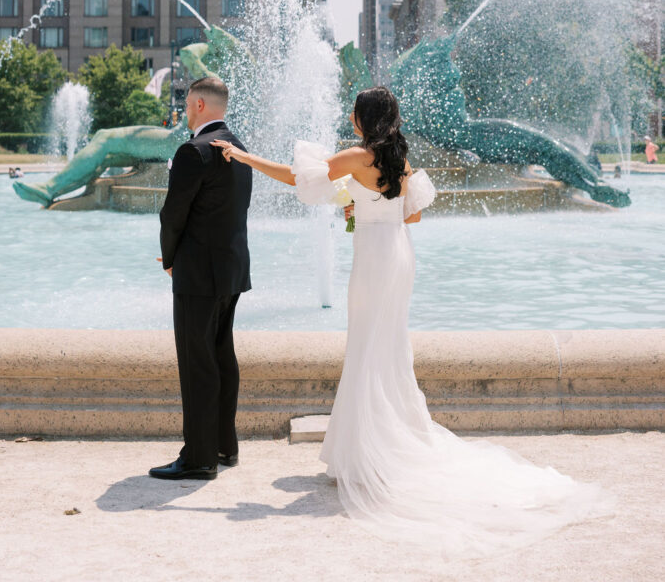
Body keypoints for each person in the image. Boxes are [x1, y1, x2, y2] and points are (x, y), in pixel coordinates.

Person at [213, 86, 614, 562]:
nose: (348, 114)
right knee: (386, 349)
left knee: (366, 349)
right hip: (398, 252)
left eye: (353, 109)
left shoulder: (358, 154)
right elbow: (415, 213)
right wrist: (361, 206)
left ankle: (367, 455)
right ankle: (372, 446)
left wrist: (242, 156)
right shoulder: (396, 156)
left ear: (364, 117)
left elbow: (296, 179)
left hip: (375, 259)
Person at [149, 76, 252, 482]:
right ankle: (225, 447)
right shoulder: (239, 148)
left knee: (197, 365)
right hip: (231, 270)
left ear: (200, 106)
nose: (186, 109)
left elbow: (172, 214)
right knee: (222, 357)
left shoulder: (194, 151)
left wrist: (170, 259)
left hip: (197, 274)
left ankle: (198, 458)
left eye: (189, 103)